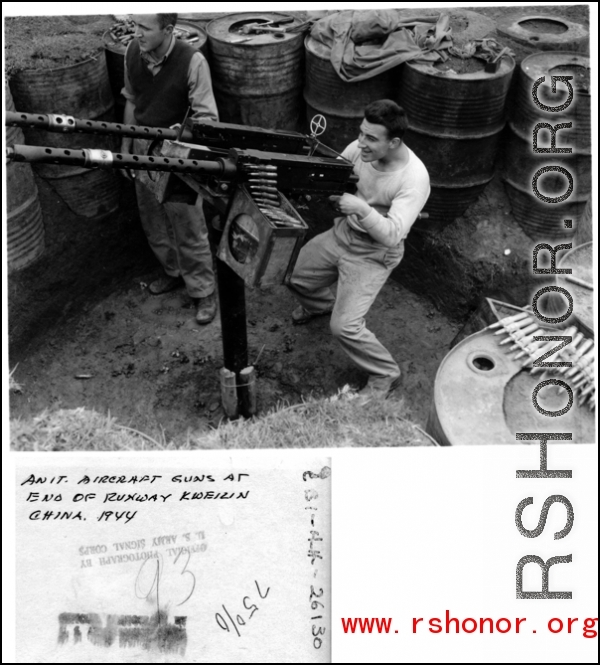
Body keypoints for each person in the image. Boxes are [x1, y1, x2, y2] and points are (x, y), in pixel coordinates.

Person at [288, 99, 430, 402]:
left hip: (375, 253)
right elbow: (337, 173)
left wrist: (362, 209)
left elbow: (392, 235)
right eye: (361, 133)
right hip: (343, 232)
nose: (361, 143)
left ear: (393, 142)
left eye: (371, 138)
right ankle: (319, 304)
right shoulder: (361, 148)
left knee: (344, 327)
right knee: (293, 274)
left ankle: (384, 373)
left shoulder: (413, 179)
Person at [121, 13, 219, 324]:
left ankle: (203, 291)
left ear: (168, 30)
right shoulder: (132, 52)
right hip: (142, 147)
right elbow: (132, 101)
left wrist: (184, 133)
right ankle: (173, 271)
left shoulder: (193, 62)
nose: (137, 33)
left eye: (145, 28)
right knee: (152, 217)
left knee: (187, 223)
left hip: (178, 151)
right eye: (135, 25)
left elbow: (207, 120)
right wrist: (126, 147)